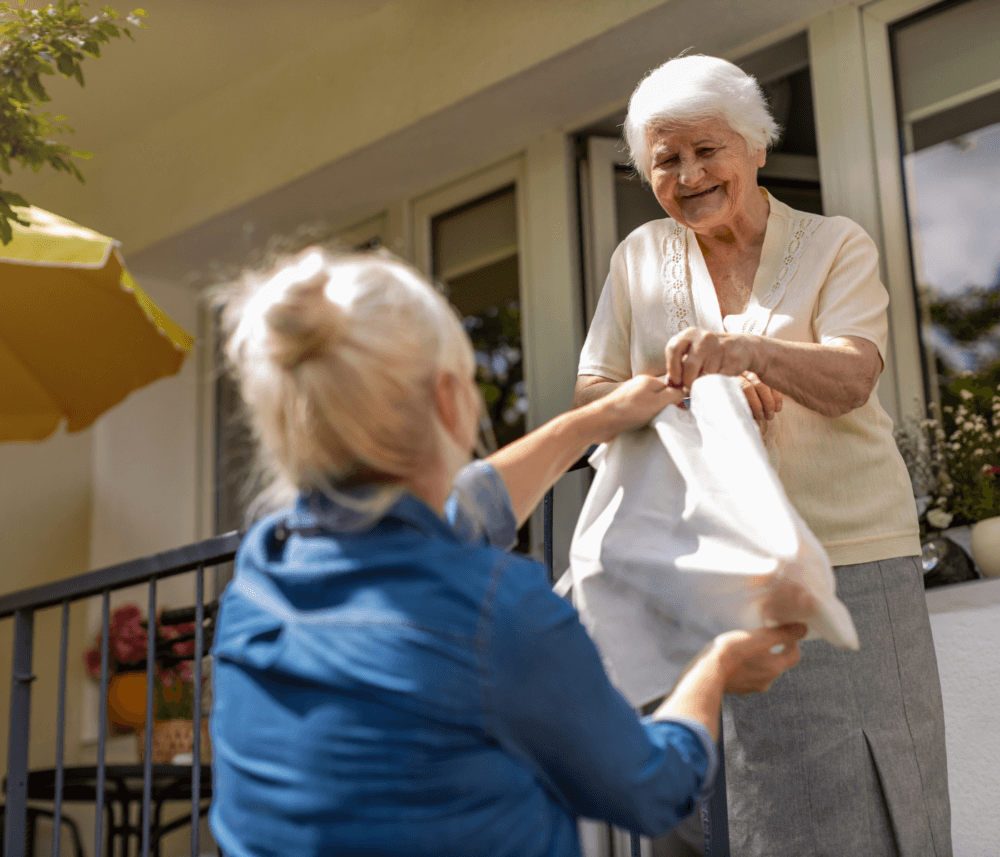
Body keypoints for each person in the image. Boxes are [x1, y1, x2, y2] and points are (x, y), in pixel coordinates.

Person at [208, 248, 807, 857]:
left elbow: (456, 512)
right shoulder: (496, 610)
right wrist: (714, 663)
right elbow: (651, 789)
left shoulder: (260, 570)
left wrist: (595, 421)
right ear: (450, 400)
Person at [573, 54, 951, 856]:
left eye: (707, 150)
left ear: (755, 148)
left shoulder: (834, 245)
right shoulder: (638, 259)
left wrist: (746, 354)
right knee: (727, 807)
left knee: (865, 785)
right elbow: (590, 404)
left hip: (849, 555)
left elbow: (852, 376)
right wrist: (691, 394)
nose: (688, 174)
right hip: (692, 569)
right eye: (665, 161)